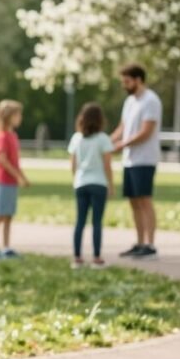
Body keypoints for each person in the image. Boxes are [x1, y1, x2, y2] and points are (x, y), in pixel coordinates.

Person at [111, 63, 161, 260]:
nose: (125, 85)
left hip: (145, 159)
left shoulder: (151, 100)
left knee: (144, 200)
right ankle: (140, 243)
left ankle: (150, 244)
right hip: (129, 160)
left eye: (127, 81)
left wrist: (122, 145)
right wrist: (106, 142)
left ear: (138, 79)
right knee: (133, 201)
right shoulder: (130, 101)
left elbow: (146, 132)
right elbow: (122, 128)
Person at [68, 103, 115, 269]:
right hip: (98, 183)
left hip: (81, 183)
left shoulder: (76, 138)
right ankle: (96, 257)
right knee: (96, 221)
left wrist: (76, 179)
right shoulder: (103, 139)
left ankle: (77, 257)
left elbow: (73, 164)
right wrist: (111, 184)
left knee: (80, 221)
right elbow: (107, 165)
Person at [0, 100, 30, 261]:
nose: (20, 117)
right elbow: (2, 160)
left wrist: (22, 177)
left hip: (12, 182)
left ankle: (6, 247)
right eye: (18, 114)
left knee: (8, 215)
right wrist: (17, 175)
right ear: (9, 117)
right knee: (0, 214)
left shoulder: (13, 136)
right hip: (3, 181)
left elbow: (15, 161)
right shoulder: (2, 136)